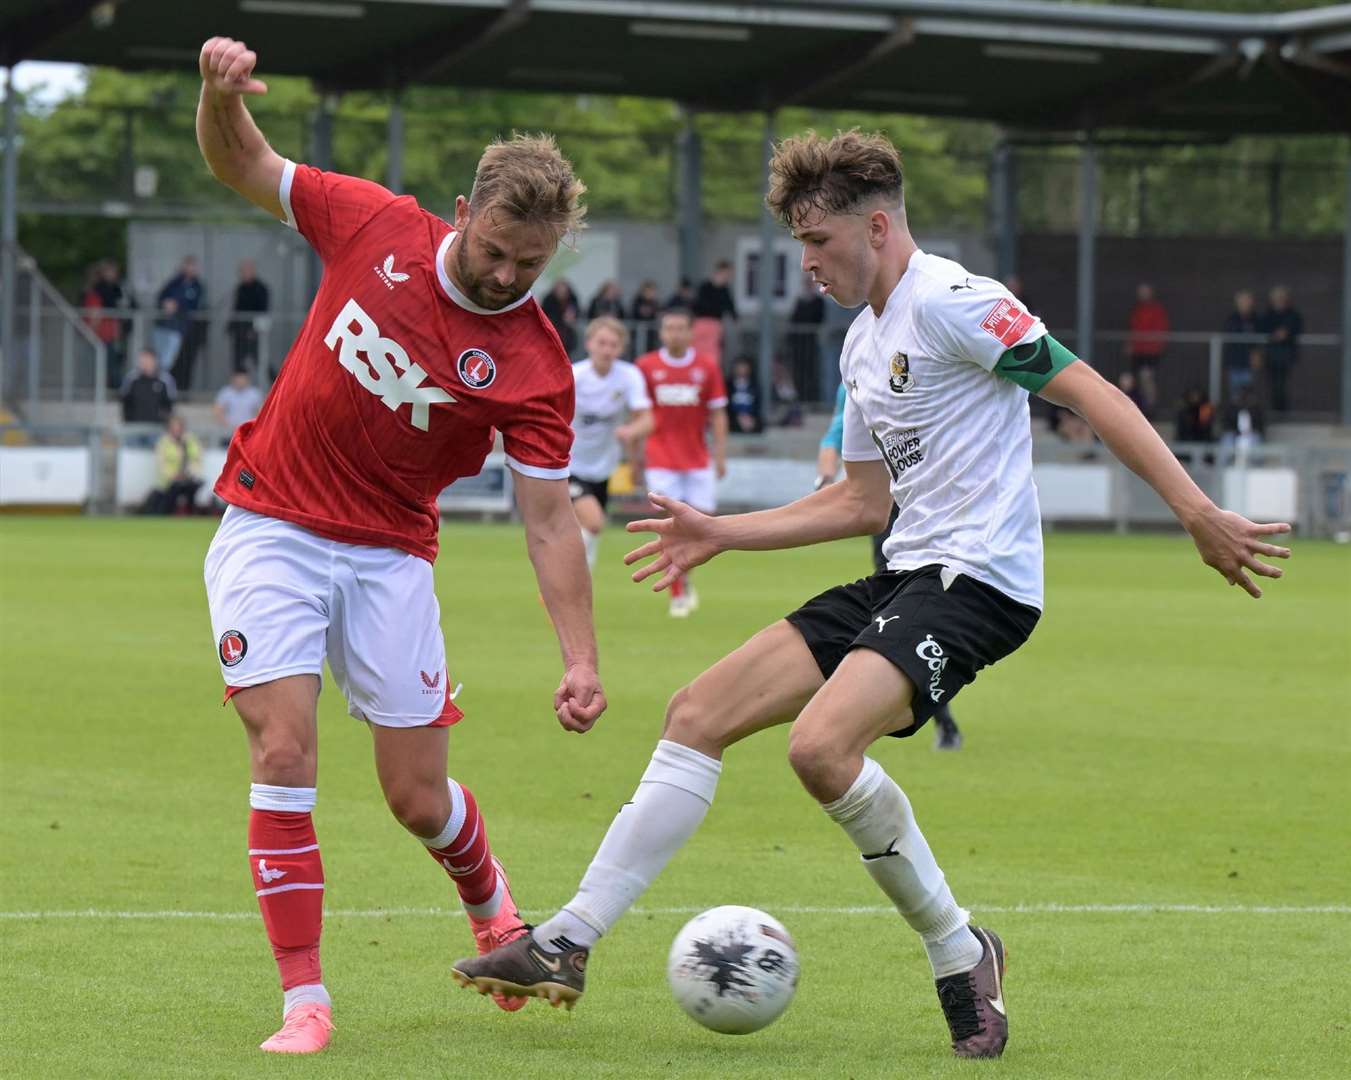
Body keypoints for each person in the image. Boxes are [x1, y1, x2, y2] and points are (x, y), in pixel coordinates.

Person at [452, 129, 1290, 1060]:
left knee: (819, 748)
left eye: (818, 244)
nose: (805, 263)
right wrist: (723, 532)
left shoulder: (959, 304)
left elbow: (1089, 391)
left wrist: (1196, 511)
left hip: (980, 584)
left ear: (879, 227)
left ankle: (958, 949)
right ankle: (566, 942)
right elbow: (860, 501)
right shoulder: (862, 344)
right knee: (695, 712)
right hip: (904, 574)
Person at [194, 36, 605, 1055]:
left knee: (416, 798)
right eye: (493, 251)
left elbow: (549, 519)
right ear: (461, 215)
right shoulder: (371, 221)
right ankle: (306, 1001)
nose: (506, 275)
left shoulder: (538, 369)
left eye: (529, 266)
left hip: (389, 559)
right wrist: (216, 95)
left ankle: (491, 904)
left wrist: (581, 658)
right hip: (272, 525)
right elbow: (243, 161)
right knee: (283, 746)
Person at [816, 381, 963, 750]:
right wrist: (825, 476)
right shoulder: (857, 372)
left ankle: (932, 713)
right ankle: (932, 715)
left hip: (930, 504)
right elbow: (835, 433)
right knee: (890, 605)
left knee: (922, 614)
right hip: (886, 506)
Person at [633, 307, 728, 617]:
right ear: (661, 333)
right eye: (668, 328)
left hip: (698, 459)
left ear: (690, 333)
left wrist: (721, 455)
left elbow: (717, 413)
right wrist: (634, 459)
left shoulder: (706, 366)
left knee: (702, 528)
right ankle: (676, 591)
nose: (674, 333)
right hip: (660, 459)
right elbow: (638, 416)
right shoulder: (646, 367)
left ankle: (684, 576)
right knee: (670, 528)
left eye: (679, 328)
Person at [569, 317, 653, 570]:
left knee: (587, 529)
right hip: (570, 463)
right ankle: (573, 577)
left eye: (613, 345)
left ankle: (576, 580)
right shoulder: (574, 375)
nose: (607, 349)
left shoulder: (628, 375)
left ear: (621, 348)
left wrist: (631, 432)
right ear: (589, 344)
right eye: (601, 343)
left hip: (604, 466)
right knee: (594, 523)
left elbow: (647, 420)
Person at [82, 259, 134, 388]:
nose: (111, 274)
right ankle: (116, 388)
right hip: (104, 334)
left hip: (117, 333)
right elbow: (94, 314)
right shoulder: (96, 291)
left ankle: (113, 387)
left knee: (117, 361)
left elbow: (131, 304)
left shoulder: (119, 288)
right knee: (109, 364)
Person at [159, 256, 206, 392]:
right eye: (187, 265)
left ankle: (184, 391)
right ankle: (169, 390)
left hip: (188, 330)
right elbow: (161, 296)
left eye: (193, 266)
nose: (190, 269)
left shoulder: (198, 286)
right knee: (169, 362)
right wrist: (167, 303)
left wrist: (178, 305)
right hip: (171, 329)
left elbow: (196, 305)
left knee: (186, 362)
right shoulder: (174, 282)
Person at [147, 414, 204, 514]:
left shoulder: (190, 440)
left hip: (188, 478)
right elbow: (161, 464)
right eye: (174, 427)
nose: (177, 430)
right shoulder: (164, 443)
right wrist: (173, 475)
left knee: (192, 488)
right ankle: (170, 513)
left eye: (179, 427)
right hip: (169, 481)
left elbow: (196, 459)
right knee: (172, 492)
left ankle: (190, 513)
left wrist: (190, 473)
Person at [1126, 282, 1169, 416]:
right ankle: (1141, 408)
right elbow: (1133, 327)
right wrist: (1130, 344)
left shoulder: (1156, 309)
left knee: (1147, 378)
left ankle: (1151, 409)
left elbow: (1161, 328)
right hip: (1139, 350)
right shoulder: (1137, 309)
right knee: (1138, 379)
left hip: (1151, 350)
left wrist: (1158, 345)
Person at [1260, 285, 1302, 413]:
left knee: (1282, 384)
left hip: (1286, 355)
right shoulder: (1268, 314)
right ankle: (1275, 410)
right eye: (1277, 298)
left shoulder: (1293, 314)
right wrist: (1275, 334)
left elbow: (1297, 328)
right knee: (1273, 384)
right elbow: (1263, 329)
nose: (1279, 301)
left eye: (1281, 298)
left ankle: (1283, 411)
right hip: (1272, 354)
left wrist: (1286, 333)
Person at [787, 272, 826, 400]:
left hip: (811, 341)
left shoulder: (818, 301)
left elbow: (819, 319)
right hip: (798, 343)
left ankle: (810, 398)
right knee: (798, 370)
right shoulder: (800, 300)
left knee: (811, 370)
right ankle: (800, 397)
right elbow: (794, 319)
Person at [692, 260, 738, 366]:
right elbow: (697, 304)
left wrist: (735, 318)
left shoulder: (725, 289)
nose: (728, 276)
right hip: (701, 322)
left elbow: (730, 306)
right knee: (696, 351)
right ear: (720, 271)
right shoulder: (705, 286)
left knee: (712, 354)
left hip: (715, 324)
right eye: (727, 273)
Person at [230, 259, 270, 372]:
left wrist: (253, 330)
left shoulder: (260, 288)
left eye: (246, 271)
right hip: (240, 331)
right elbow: (237, 308)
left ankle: (275, 383)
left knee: (261, 360)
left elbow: (263, 310)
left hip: (254, 332)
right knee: (238, 361)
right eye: (242, 271)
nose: (244, 274)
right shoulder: (240, 288)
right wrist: (231, 326)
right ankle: (240, 385)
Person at [1221, 290, 1262, 400]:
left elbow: (1257, 340)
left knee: (1248, 393)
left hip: (1249, 362)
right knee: (1235, 394)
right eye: (1242, 301)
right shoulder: (1232, 319)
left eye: (1247, 301)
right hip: (1235, 361)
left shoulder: (1256, 319)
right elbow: (1231, 335)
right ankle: (1236, 415)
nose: (1245, 304)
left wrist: (1256, 354)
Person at [121, 348, 175, 427]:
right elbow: (125, 400)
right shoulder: (131, 379)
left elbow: (169, 402)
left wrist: (162, 420)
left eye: (147, 360)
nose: (144, 363)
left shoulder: (165, 379)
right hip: (134, 427)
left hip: (157, 427)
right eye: (142, 361)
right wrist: (129, 420)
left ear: (154, 361)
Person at [213, 368, 264, 443]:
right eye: (238, 378)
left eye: (242, 378)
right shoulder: (226, 392)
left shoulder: (254, 394)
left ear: (247, 379)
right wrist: (227, 425)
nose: (240, 381)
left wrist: (252, 426)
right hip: (230, 432)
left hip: (248, 432)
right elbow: (218, 410)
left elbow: (261, 411)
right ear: (233, 379)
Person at [541, 278, 580, 357]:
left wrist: (573, 315)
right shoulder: (549, 299)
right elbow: (544, 313)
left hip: (569, 327)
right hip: (553, 325)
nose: (562, 292)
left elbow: (577, 311)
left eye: (564, 291)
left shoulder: (572, 298)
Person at [726, 355, 763, 435]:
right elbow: (726, 405)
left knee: (759, 424)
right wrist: (738, 417)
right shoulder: (728, 385)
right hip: (734, 417)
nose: (741, 370)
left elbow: (757, 405)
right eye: (739, 367)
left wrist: (750, 417)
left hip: (750, 417)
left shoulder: (754, 385)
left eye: (744, 367)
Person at [629, 279, 661, 354]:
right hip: (638, 332)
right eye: (650, 290)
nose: (651, 293)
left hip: (651, 333)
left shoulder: (655, 302)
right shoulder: (637, 301)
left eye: (653, 291)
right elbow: (633, 314)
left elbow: (657, 313)